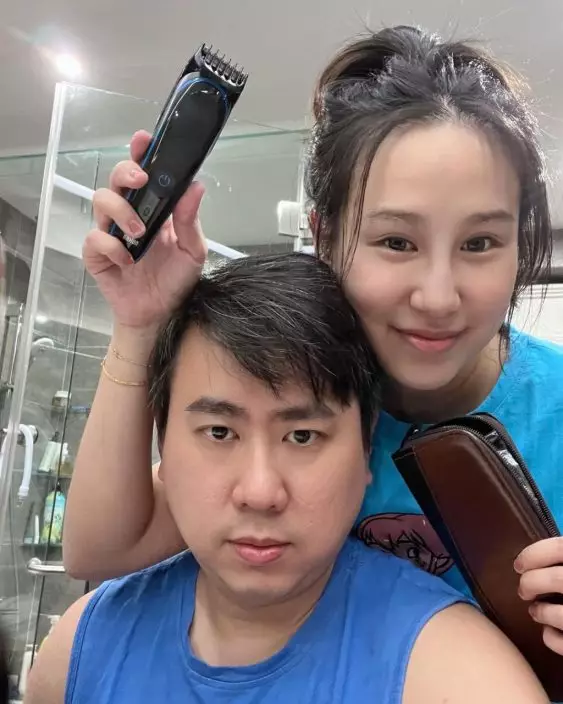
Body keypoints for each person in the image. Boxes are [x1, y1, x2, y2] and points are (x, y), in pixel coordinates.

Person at [63, 24, 563, 659]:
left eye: (480, 243)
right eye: (396, 242)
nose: (438, 297)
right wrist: (140, 323)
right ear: (322, 236)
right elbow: (101, 550)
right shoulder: (299, 391)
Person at [27, 254, 547, 703]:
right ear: (164, 443)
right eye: (219, 432)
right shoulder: (79, 652)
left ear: (367, 447)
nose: (260, 492)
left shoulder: (456, 677)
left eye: (302, 436)